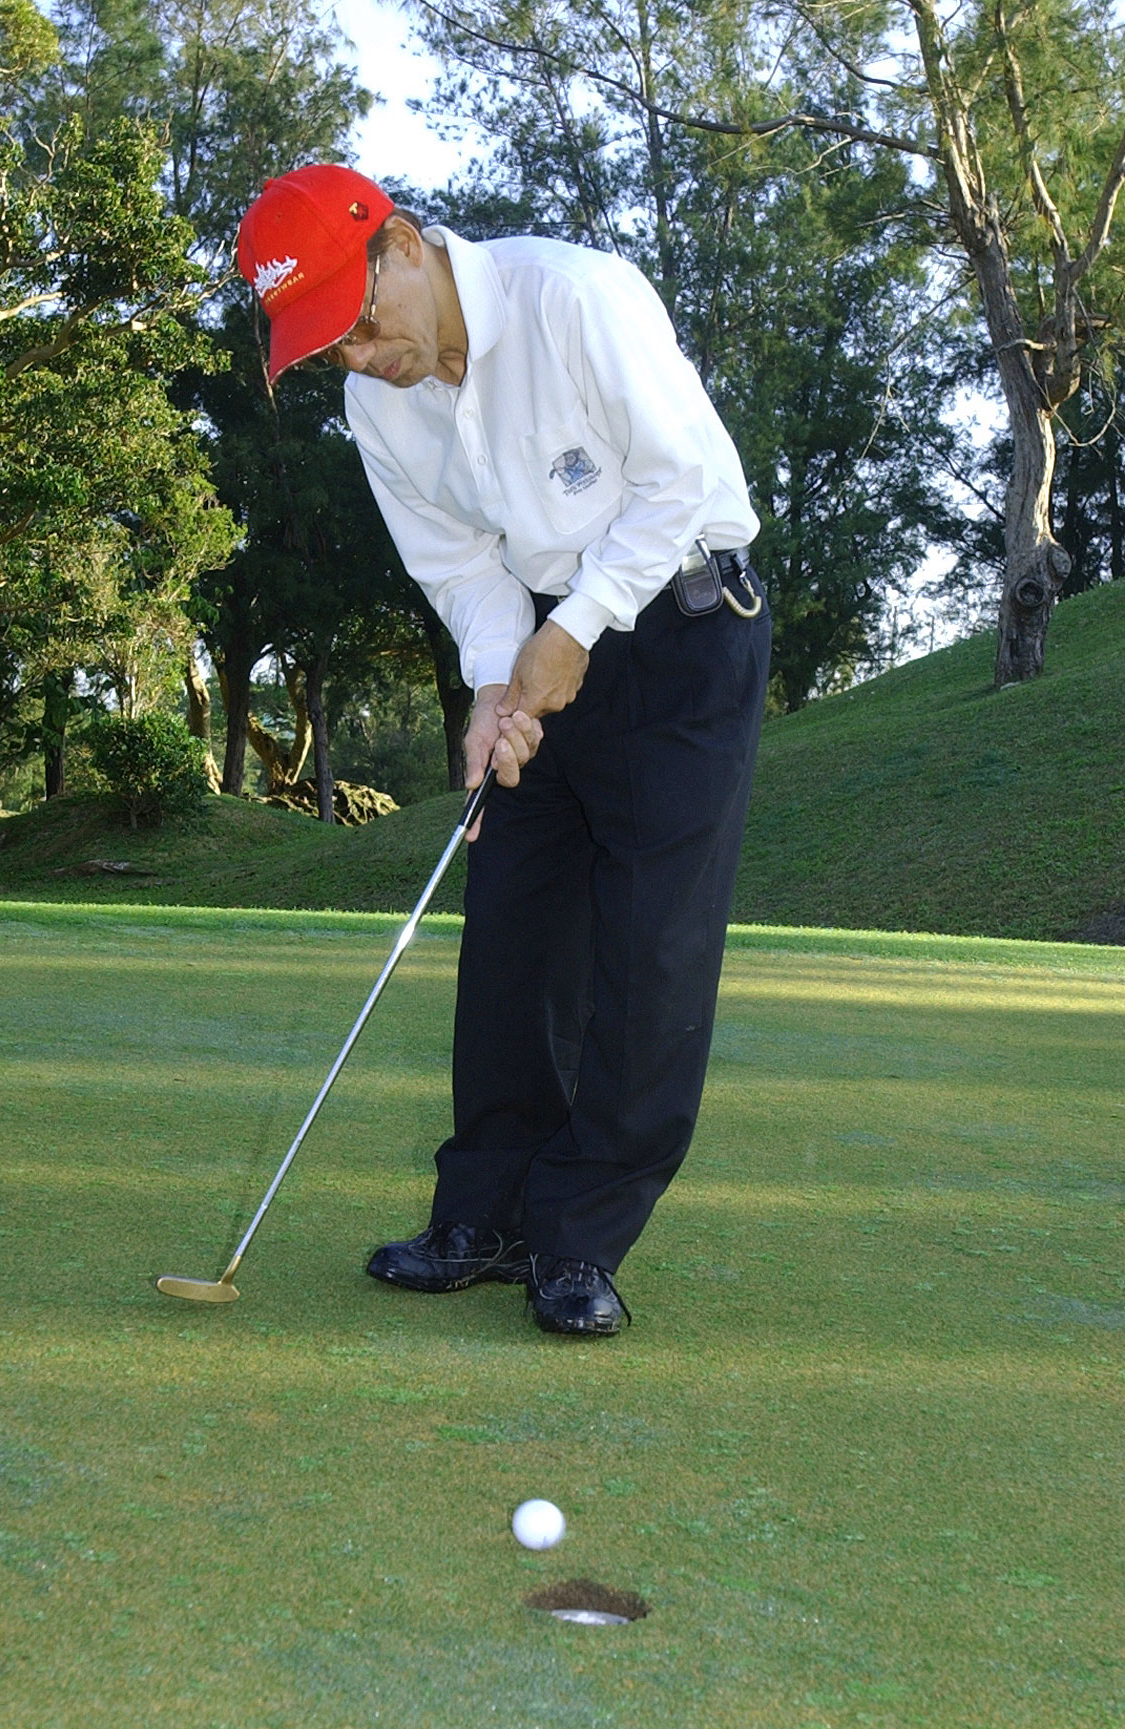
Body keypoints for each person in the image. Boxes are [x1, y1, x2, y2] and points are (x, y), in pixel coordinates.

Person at [237, 165, 771, 1337]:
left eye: (363, 322)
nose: (362, 358)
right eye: (331, 346)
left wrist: (577, 629)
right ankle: (483, 1217)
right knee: (514, 933)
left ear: (410, 247)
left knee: (649, 951)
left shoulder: (575, 296)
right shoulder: (379, 404)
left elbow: (677, 480)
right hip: (542, 646)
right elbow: (457, 564)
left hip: (681, 627)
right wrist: (496, 683)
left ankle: (579, 1242)